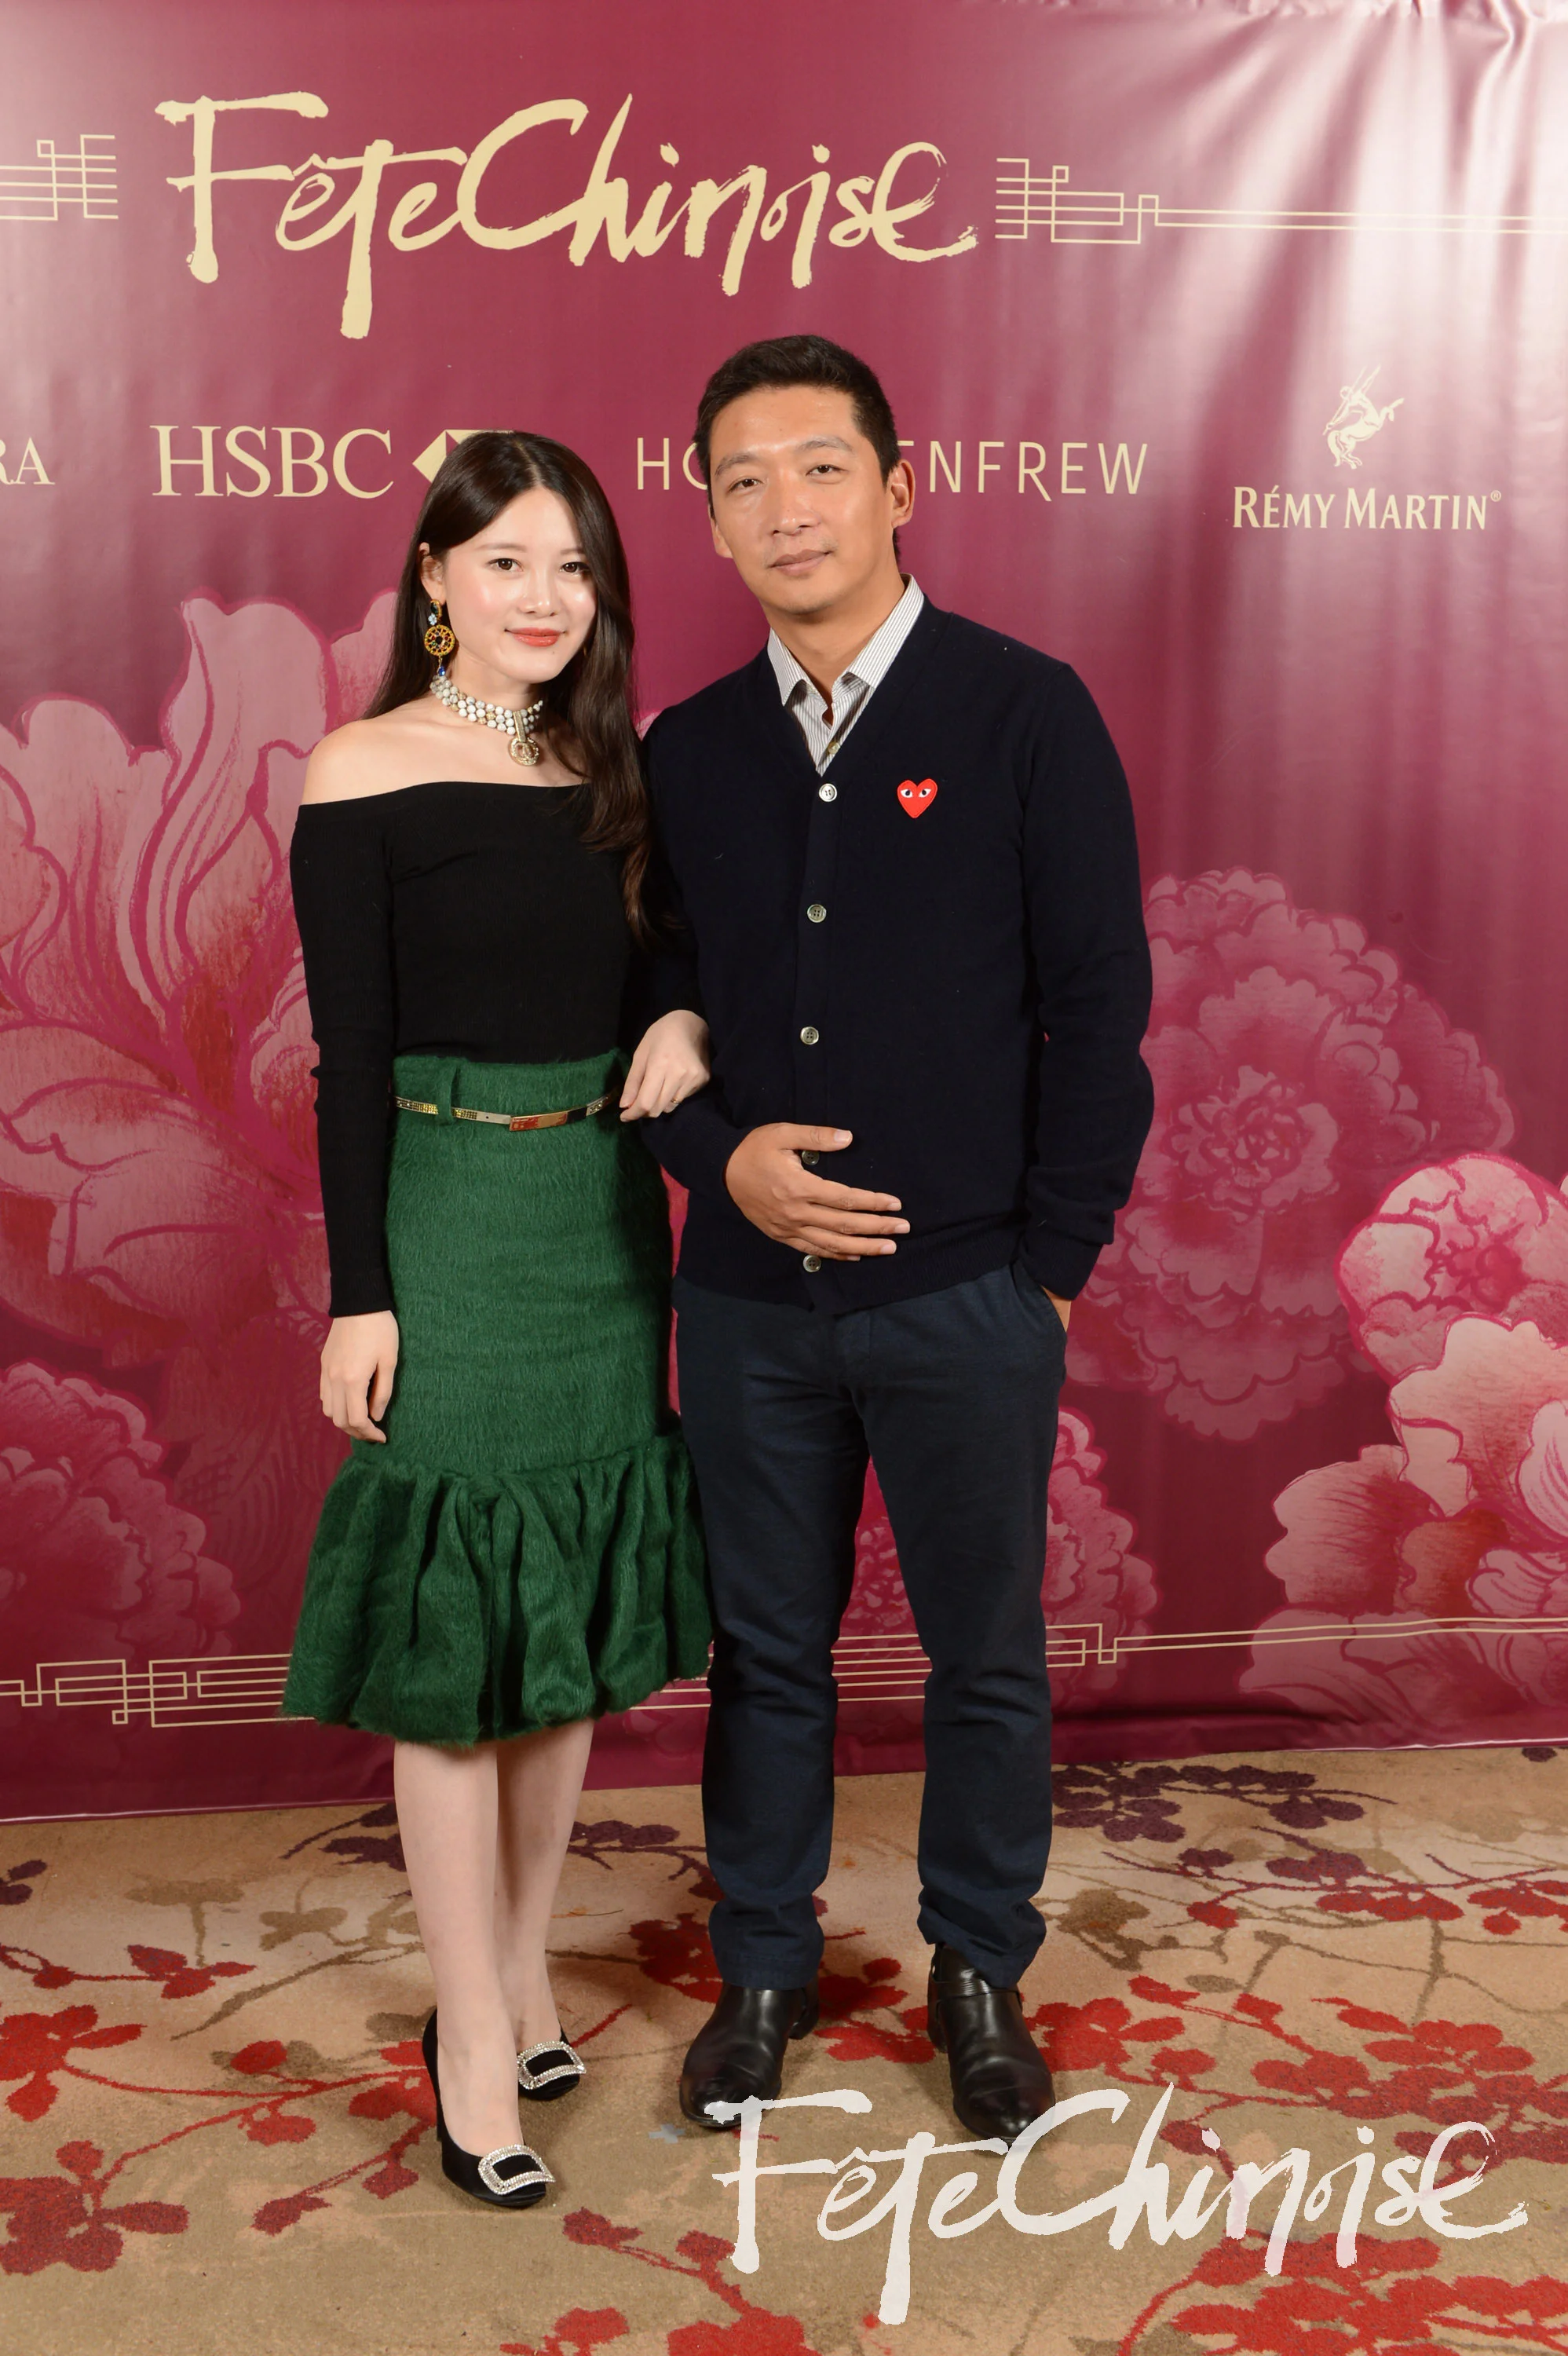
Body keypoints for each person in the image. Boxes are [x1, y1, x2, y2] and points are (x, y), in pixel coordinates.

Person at [640, 336, 1153, 2146]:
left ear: (896, 486)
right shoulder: (687, 750)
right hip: (749, 1305)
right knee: (765, 1654)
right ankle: (763, 1969)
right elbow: (647, 1011)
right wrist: (721, 1163)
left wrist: (1048, 1268)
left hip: (968, 1296)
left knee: (981, 1656)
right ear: (710, 520)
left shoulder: (1023, 712)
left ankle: (976, 1971)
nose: (785, 507)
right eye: (744, 481)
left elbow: (1097, 1013)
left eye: (819, 468)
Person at [281, 431, 711, 2210]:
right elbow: (349, 1057)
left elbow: (678, 957)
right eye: (509, 562)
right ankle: (470, 2030)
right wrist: (360, 1293)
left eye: (574, 567)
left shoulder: (616, 767)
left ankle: (523, 1969)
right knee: (459, 1632)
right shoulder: (363, 767)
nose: (545, 598)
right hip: (447, 1217)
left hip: (600, 1221)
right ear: (437, 581)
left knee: (565, 1619)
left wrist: (683, 1018)